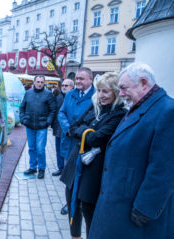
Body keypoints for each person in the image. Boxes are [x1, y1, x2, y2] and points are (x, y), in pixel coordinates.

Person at [89, 63, 174, 239]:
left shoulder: (168, 111)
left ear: (143, 83)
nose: (121, 94)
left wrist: (145, 209)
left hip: (136, 213)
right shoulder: (141, 106)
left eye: (123, 88)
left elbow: (164, 168)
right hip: (119, 202)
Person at [60, 72, 127, 239]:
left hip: (94, 167)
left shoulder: (119, 113)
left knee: (88, 207)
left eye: (105, 91)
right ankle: (75, 236)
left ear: (116, 92)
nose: (101, 95)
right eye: (99, 91)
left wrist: (84, 131)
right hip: (76, 161)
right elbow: (74, 126)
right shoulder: (95, 105)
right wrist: (86, 132)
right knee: (71, 200)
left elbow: (95, 138)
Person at [58, 68, 95, 215]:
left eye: (82, 79)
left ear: (91, 80)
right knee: (69, 174)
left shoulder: (96, 96)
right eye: (77, 78)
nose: (78, 81)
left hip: (84, 142)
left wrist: (79, 132)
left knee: (83, 175)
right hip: (69, 140)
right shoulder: (70, 94)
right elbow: (61, 113)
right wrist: (67, 128)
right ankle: (69, 202)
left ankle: (79, 202)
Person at [20, 75, 55, 179]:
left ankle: (42, 169)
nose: (40, 84)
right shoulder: (28, 93)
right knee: (31, 148)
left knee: (40, 149)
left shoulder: (48, 94)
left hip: (42, 126)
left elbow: (53, 110)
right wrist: (23, 119)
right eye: (38, 81)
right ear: (34, 82)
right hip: (30, 126)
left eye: (41, 82)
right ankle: (32, 167)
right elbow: (22, 107)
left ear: (44, 83)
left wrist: (47, 122)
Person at [51, 79, 74, 177]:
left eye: (66, 85)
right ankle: (61, 168)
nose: (64, 87)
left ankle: (67, 170)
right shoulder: (58, 97)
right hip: (58, 128)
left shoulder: (73, 97)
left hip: (69, 130)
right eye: (63, 85)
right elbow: (54, 111)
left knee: (68, 150)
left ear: (72, 87)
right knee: (58, 150)